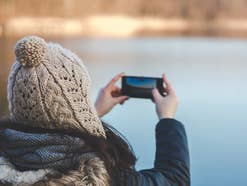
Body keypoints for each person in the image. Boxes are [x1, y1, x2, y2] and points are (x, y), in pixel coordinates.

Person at [0, 36, 190, 186]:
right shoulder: (106, 177)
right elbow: (173, 180)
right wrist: (167, 119)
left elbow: (48, 136)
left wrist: (93, 111)